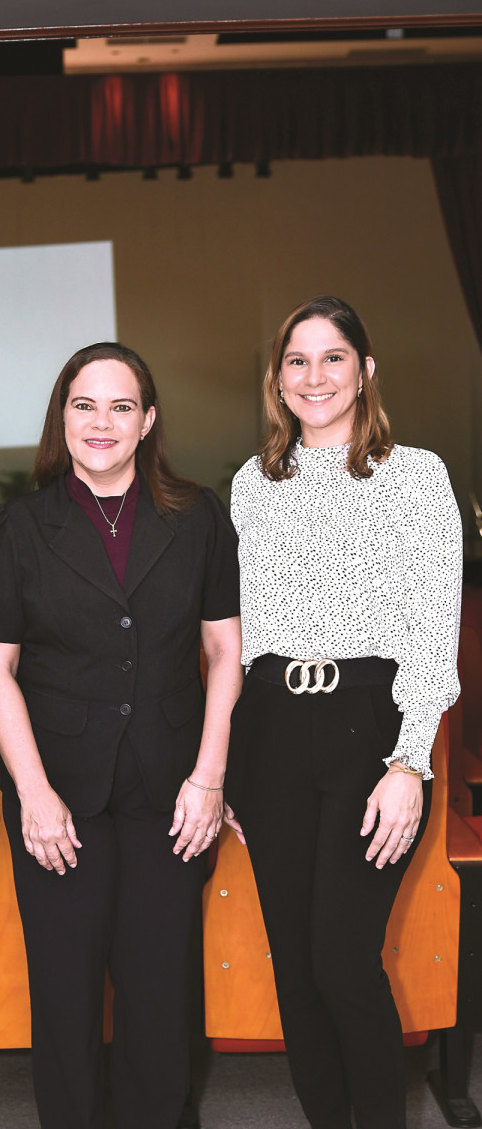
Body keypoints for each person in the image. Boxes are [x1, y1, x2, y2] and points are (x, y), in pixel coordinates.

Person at [0, 342, 242, 1129]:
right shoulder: (19, 525)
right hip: (58, 792)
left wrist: (210, 776)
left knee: (161, 992)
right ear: (64, 418)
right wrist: (32, 793)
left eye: (121, 406)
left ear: (148, 420)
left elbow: (226, 652)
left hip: (173, 790)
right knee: (64, 993)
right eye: (85, 405)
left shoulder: (196, 517)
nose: (102, 422)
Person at [227, 295, 463, 1129]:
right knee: (294, 966)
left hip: (373, 729)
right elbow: (239, 638)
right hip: (271, 734)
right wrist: (227, 760)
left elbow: (434, 636)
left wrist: (410, 764)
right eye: (297, 359)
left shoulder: (416, 474)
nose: (314, 375)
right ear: (278, 379)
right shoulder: (253, 483)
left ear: (365, 371)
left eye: (333, 357)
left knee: (341, 960)